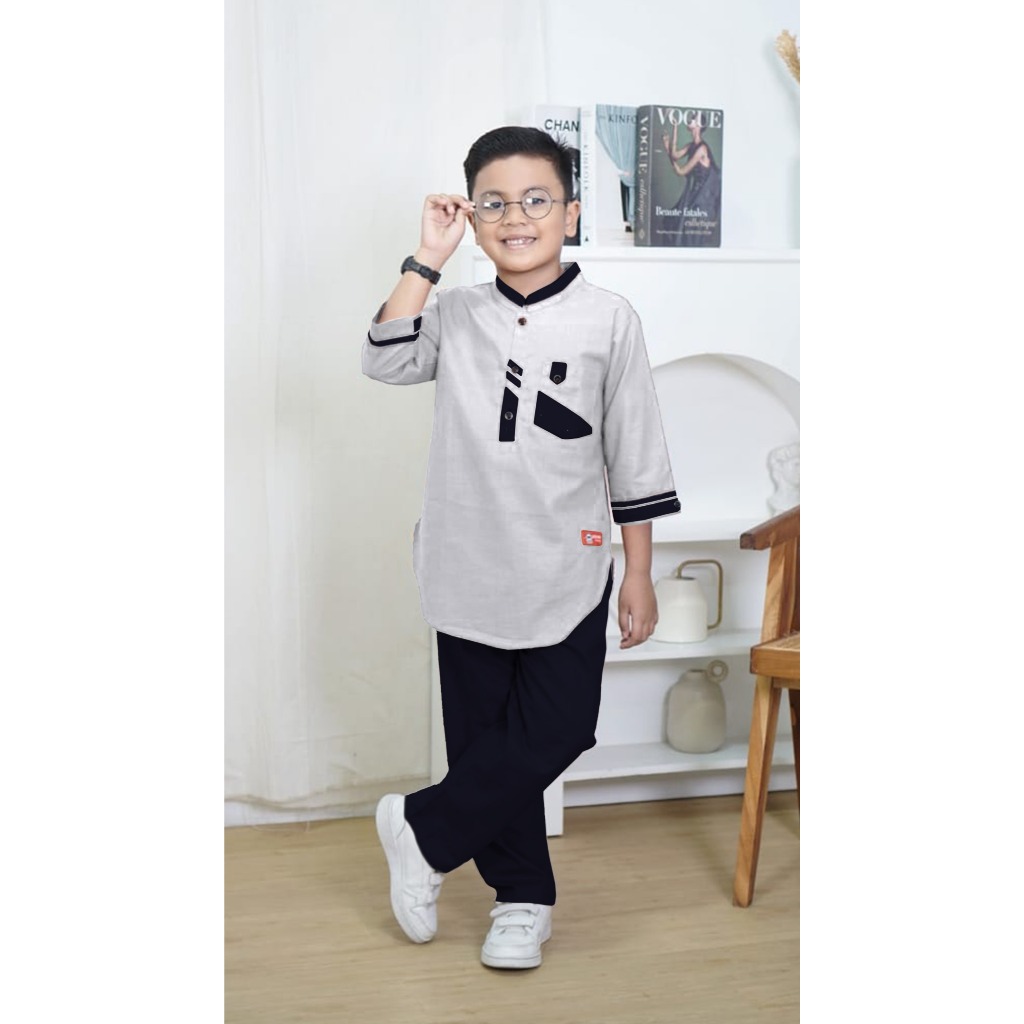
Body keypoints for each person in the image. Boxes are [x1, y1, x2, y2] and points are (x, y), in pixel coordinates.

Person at [361, 126, 680, 970]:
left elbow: (636, 454)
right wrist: (429, 258)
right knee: (483, 743)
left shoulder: (609, 320)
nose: (516, 217)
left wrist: (638, 573)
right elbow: (384, 361)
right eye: (493, 203)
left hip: (567, 563)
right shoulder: (455, 313)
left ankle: (422, 830)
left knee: (560, 726)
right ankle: (522, 900)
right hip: (465, 559)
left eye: (536, 200)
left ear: (570, 213)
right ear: (472, 216)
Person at [662, 117, 722, 245]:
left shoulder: (702, 149)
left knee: (686, 227)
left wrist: (668, 150)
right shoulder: (691, 146)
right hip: (695, 195)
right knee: (671, 221)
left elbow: (681, 171)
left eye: (693, 119)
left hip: (704, 199)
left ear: (699, 125)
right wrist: (675, 128)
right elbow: (674, 155)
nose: (690, 120)